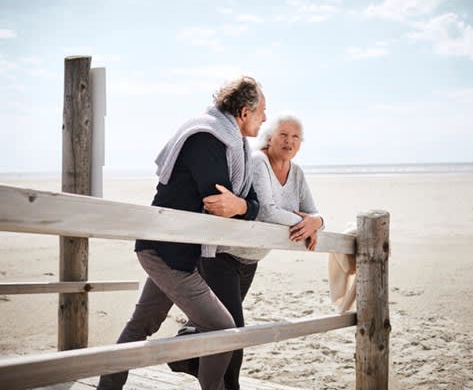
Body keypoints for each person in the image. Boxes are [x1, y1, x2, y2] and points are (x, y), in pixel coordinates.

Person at [96, 76, 267, 390]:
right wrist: (244, 206)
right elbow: (218, 202)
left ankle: (107, 387)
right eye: (262, 111)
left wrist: (242, 205)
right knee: (222, 329)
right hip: (165, 251)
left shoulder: (234, 146)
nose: (266, 118)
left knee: (142, 324)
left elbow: (245, 203)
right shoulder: (208, 138)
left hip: (175, 253)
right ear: (244, 113)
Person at [170, 112, 324, 390]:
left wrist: (317, 222)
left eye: (295, 137)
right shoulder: (258, 161)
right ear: (270, 137)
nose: (289, 141)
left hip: (250, 260)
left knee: (215, 324)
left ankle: (185, 358)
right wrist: (304, 222)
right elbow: (265, 211)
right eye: (283, 135)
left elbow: (313, 212)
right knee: (234, 332)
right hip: (222, 255)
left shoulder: (297, 172)